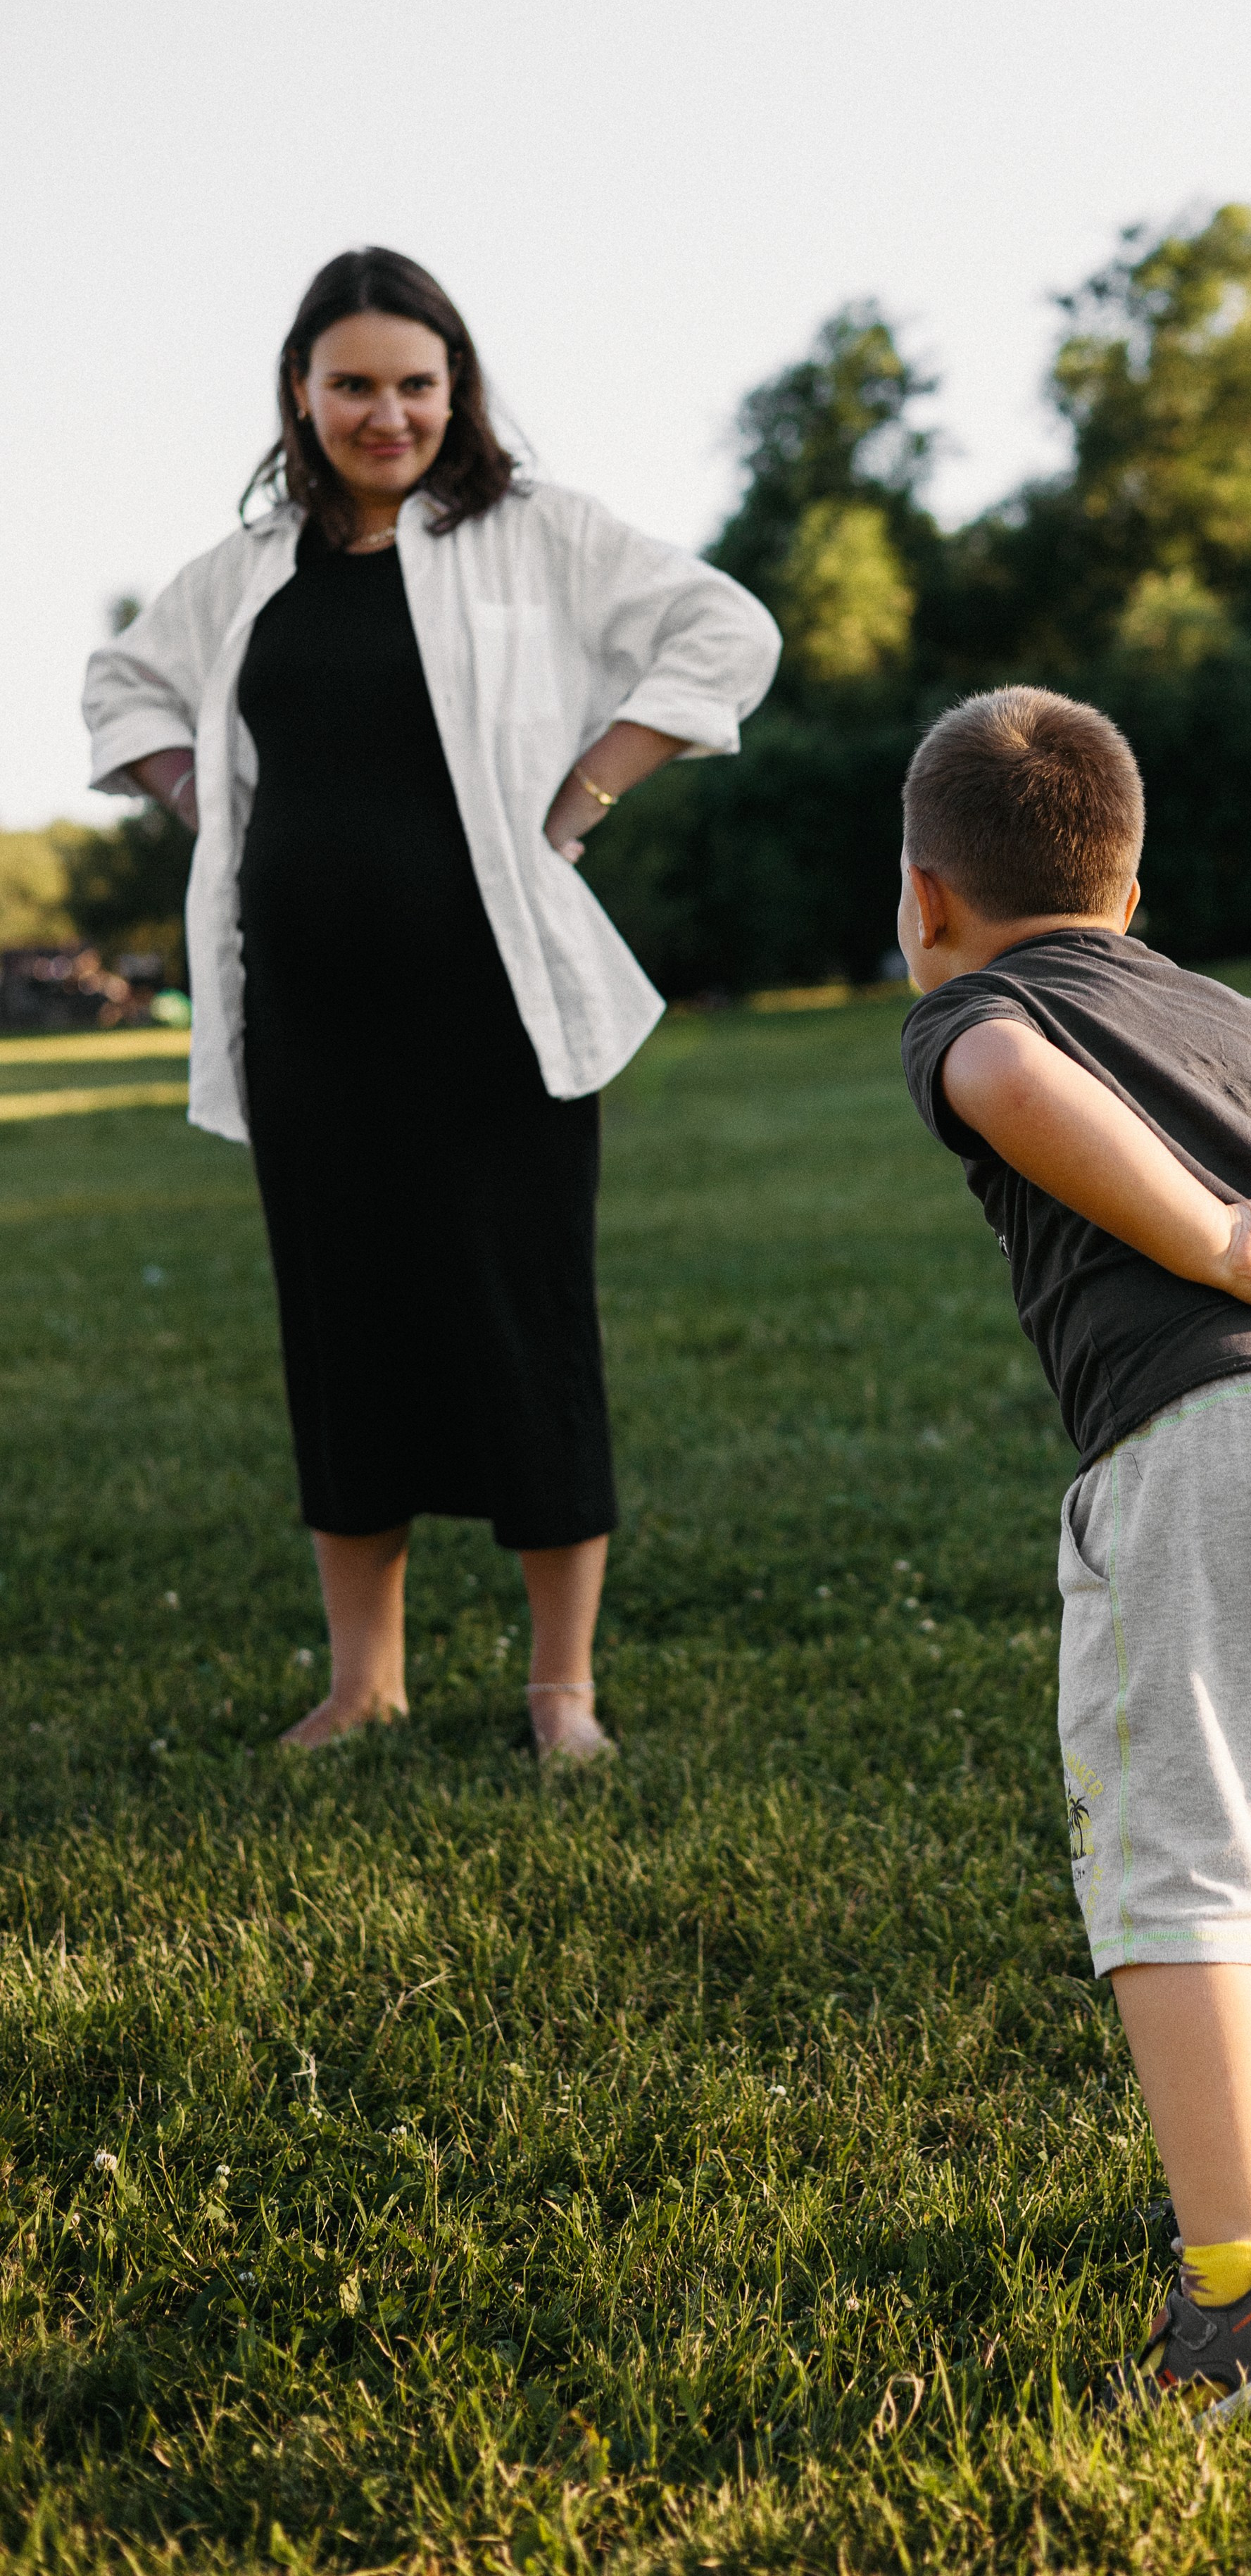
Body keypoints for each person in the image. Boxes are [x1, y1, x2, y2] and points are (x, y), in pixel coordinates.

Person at [84, 247, 779, 1761]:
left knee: (527, 1330)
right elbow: (120, 684)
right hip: (305, 1018)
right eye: (354, 384)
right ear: (301, 391)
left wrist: (587, 790)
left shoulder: (539, 533)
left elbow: (728, 632)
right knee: (344, 1339)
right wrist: (205, 794)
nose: (386, 413)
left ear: (456, 388)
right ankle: (365, 1683)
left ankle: (559, 1693)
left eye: (415, 383)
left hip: (495, 1014)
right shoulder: (245, 572)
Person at [897, 686, 1251, 2424]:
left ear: (925, 896)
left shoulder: (977, 1006)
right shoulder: (1242, 1015)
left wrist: (1226, 1238)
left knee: (1182, 1867)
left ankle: (1244, 2288)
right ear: (1131, 895)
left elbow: (1000, 1072)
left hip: (1213, 1439)